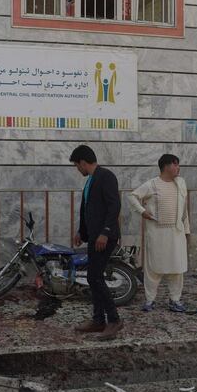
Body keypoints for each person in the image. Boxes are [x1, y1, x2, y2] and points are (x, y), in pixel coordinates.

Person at [70, 145, 123, 340]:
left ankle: (114, 320)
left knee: (95, 278)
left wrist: (105, 233)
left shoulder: (106, 176)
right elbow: (89, 210)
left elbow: (114, 205)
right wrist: (81, 232)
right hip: (94, 236)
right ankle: (98, 320)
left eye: (77, 165)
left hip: (104, 237)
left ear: (83, 162)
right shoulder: (91, 180)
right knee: (94, 277)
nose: (78, 169)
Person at [127, 154, 190, 312]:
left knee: (177, 267)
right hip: (157, 233)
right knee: (153, 268)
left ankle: (175, 300)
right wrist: (142, 211)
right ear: (166, 166)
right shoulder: (152, 184)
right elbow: (132, 196)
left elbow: (184, 211)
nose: (178, 168)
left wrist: (187, 231)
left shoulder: (180, 183)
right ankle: (150, 300)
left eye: (178, 164)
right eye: (175, 164)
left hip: (176, 233)